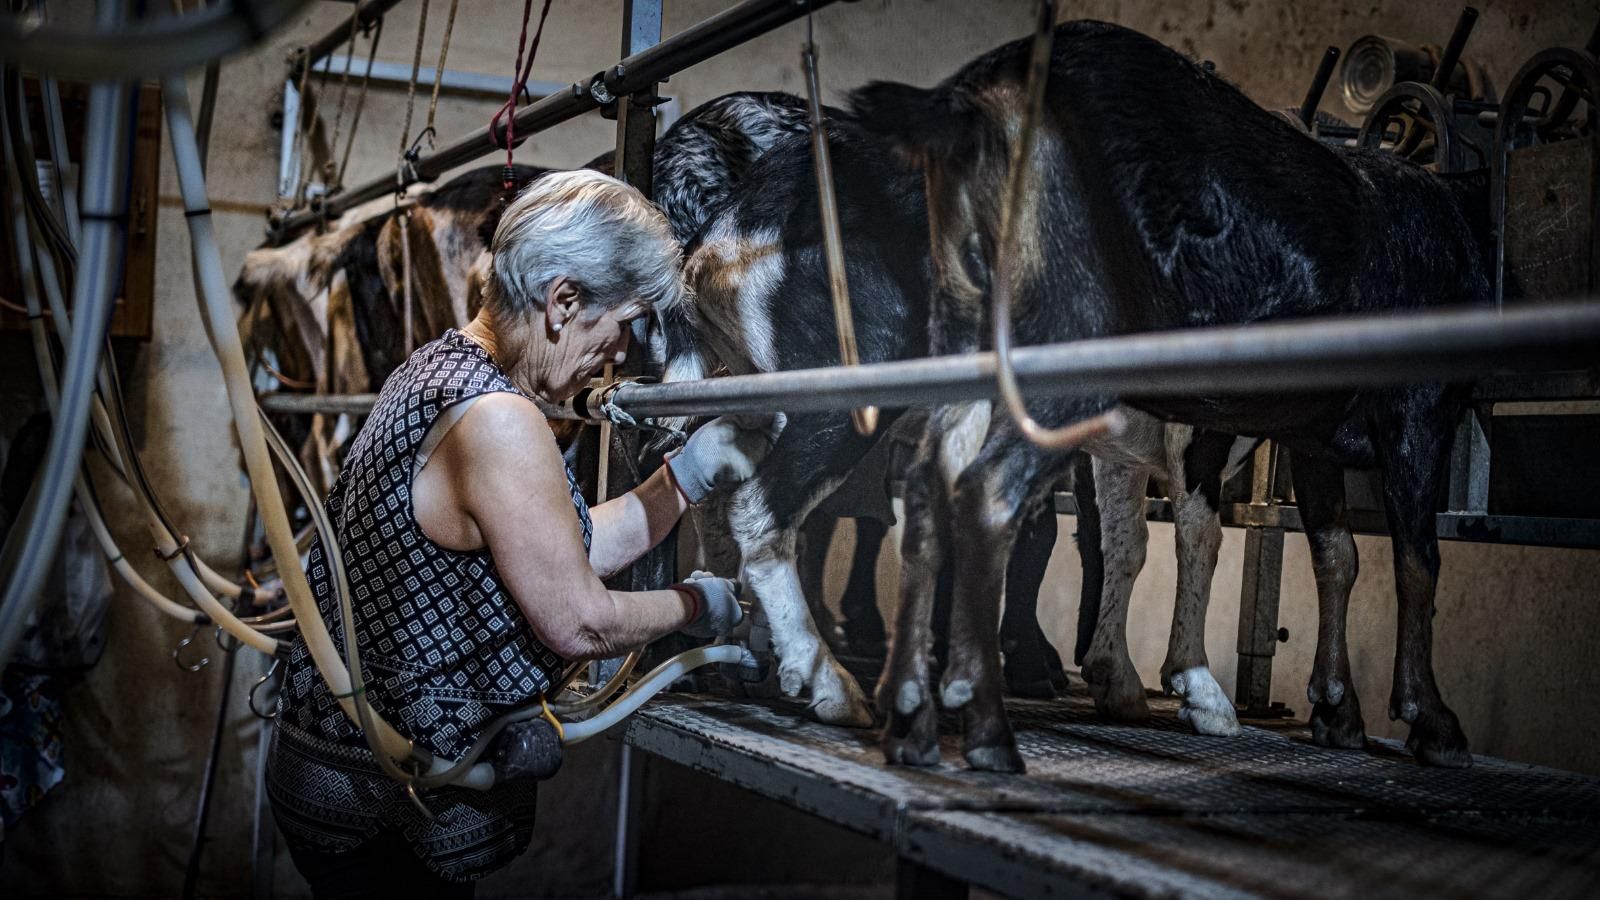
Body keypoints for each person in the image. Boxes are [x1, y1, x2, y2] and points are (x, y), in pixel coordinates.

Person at [266, 170, 774, 897]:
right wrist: (704, 606)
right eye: (622, 323)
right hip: (387, 811)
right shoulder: (499, 418)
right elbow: (581, 620)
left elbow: (549, 549)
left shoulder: (440, 368)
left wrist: (680, 480)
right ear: (563, 301)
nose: (621, 355)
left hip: (339, 780)